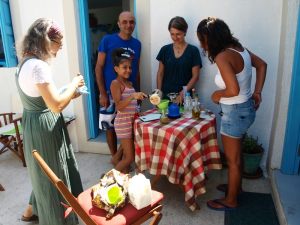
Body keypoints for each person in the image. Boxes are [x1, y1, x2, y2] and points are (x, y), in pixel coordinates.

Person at [17, 18, 84, 224]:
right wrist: (73, 84)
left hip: (32, 124)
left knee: (42, 174)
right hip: (45, 128)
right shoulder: (38, 66)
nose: (59, 49)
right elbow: (55, 106)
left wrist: (67, 93)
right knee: (56, 176)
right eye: (58, 44)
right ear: (47, 41)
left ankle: (31, 212)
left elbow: (43, 99)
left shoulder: (24, 63)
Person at [196, 17, 267, 211]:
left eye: (203, 40)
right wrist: (257, 92)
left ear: (210, 38)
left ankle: (231, 200)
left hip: (234, 113)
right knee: (237, 155)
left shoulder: (222, 56)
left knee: (232, 160)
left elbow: (232, 89)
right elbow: (262, 65)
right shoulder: (240, 49)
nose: (203, 44)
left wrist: (216, 94)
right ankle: (237, 189)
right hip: (246, 110)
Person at [95, 11, 141, 165]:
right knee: (110, 127)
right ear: (119, 23)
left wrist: (137, 94)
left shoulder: (137, 44)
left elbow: (137, 70)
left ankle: (121, 159)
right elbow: (98, 67)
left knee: (129, 128)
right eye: (125, 22)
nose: (129, 25)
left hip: (129, 91)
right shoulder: (107, 40)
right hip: (110, 92)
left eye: (132, 22)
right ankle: (117, 159)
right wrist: (102, 93)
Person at [110, 48, 147, 173]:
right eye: (124, 67)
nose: (128, 70)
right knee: (130, 157)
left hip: (131, 121)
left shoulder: (129, 83)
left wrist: (137, 109)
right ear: (116, 69)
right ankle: (107, 178)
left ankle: (115, 160)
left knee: (123, 148)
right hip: (123, 123)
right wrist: (133, 96)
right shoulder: (115, 83)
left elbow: (131, 104)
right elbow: (119, 106)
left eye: (130, 67)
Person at [156, 16, 202, 104]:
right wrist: (158, 93)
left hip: (185, 98)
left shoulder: (193, 51)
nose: (175, 37)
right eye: (172, 34)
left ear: (185, 32)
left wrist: (183, 93)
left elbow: (195, 76)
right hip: (166, 97)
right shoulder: (164, 50)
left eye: (178, 34)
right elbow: (160, 73)